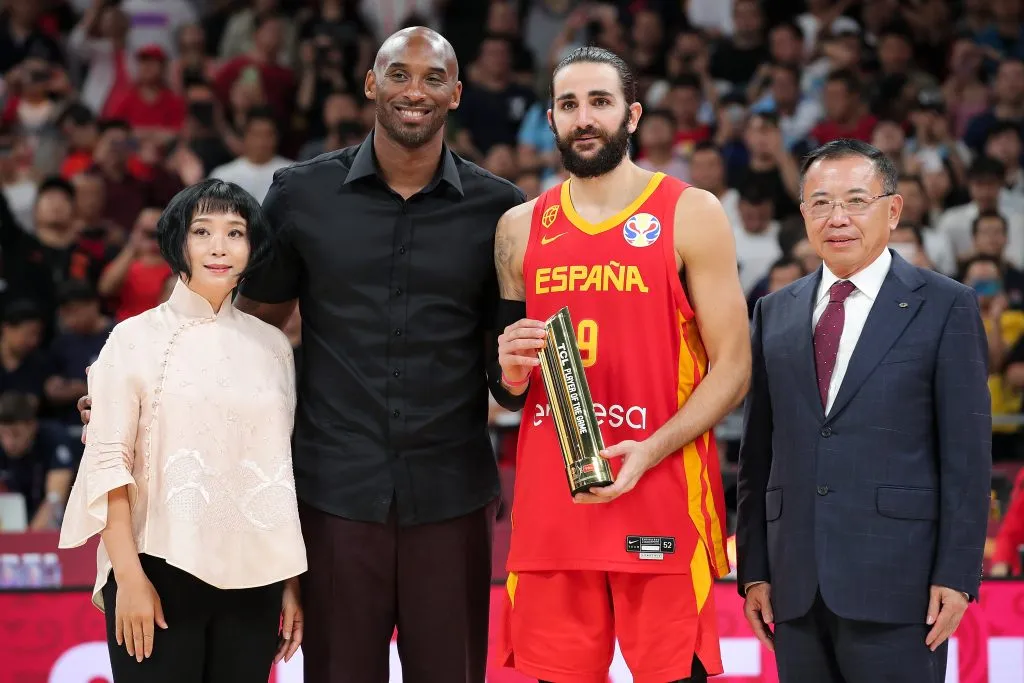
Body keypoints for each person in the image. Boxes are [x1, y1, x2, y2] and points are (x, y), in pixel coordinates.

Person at [80, 26, 526, 683]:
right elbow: (241, 324)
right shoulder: (301, 194)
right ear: (372, 85)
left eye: (434, 78)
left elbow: (507, 375)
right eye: (398, 74)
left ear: (457, 93)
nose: (415, 90)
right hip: (332, 495)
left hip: (452, 495)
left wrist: (516, 375)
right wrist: (143, 385)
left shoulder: (502, 210)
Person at [493, 46, 752, 683]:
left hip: (660, 489)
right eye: (569, 105)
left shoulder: (691, 213)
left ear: (632, 115)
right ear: (550, 121)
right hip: (556, 507)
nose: (585, 118)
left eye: (600, 102)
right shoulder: (518, 229)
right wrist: (509, 370)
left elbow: (735, 368)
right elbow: (507, 395)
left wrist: (652, 448)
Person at [736, 139, 992, 683]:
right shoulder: (772, 311)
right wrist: (754, 569)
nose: (838, 218)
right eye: (821, 203)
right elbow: (758, 455)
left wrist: (958, 573)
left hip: (903, 585)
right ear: (803, 213)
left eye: (856, 200)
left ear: (893, 210)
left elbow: (967, 456)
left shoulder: (946, 305)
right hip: (793, 584)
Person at [60, 179, 306, 683]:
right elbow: (108, 464)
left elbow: (280, 469)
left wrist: (290, 582)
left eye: (235, 233)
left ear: (253, 247)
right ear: (177, 242)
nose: (219, 246)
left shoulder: (275, 348)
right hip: (156, 570)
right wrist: (127, 578)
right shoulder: (131, 338)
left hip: (255, 580)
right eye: (203, 231)